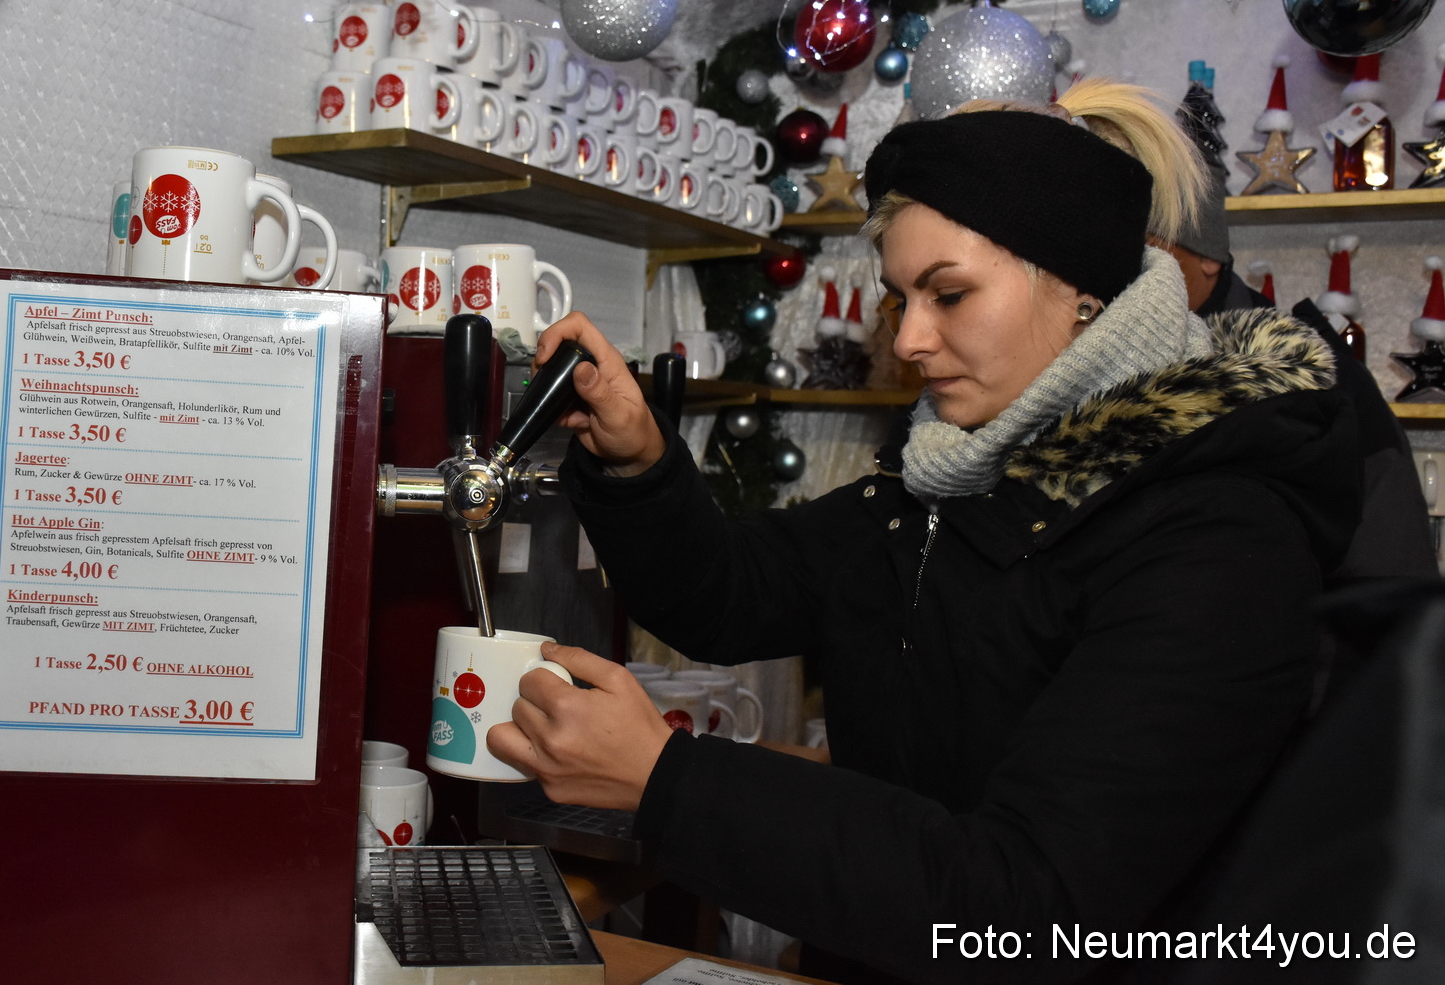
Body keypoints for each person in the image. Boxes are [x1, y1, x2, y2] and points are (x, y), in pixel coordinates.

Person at [485, 80, 1363, 984]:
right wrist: (639, 461)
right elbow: (730, 594)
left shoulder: (1219, 539)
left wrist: (670, 781)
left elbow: (1025, 908)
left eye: (948, 294)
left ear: (1082, 294)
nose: (908, 340)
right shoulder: (944, 479)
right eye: (901, 299)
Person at [1157, 186, 1434, 582]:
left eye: (1151, 248)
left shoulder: (1310, 376)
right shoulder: (1124, 358)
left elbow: (1389, 559)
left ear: (1206, 256)